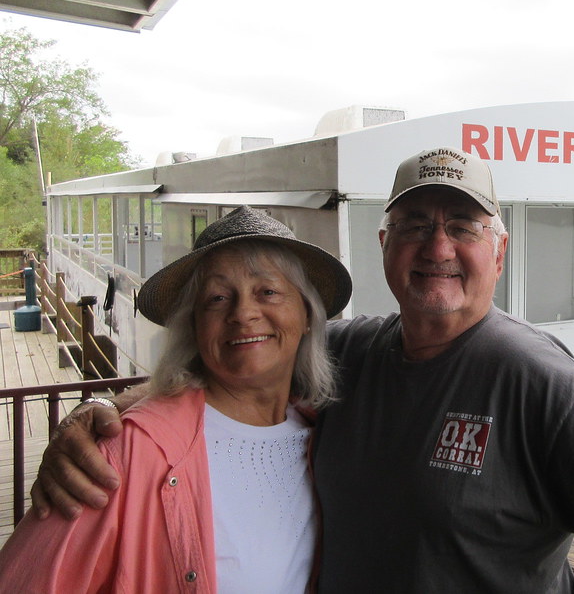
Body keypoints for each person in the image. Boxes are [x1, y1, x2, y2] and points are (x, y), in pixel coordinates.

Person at [31, 149, 574, 593]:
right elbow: (244, 358)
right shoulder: (355, 354)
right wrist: (112, 414)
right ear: (385, 245)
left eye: (462, 225)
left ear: (497, 250)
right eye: (414, 224)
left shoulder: (537, 380)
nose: (437, 245)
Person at [2, 206, 352, 593]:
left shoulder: (320, 435)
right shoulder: (127, 452)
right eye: (217, 298)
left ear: (307, 315)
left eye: (268, 291)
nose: (244, 313)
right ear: (195, 327)